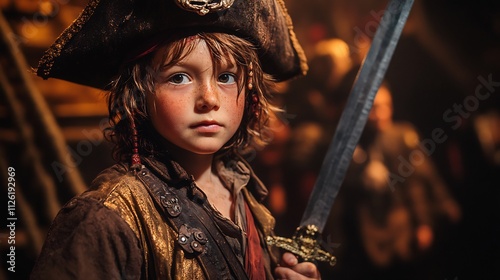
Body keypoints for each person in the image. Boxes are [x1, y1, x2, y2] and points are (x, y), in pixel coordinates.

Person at [30, 0, 320, 279]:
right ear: (137, 95)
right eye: (179, 77)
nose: (209, 99)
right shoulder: (103, 219)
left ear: (251, 93)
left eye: (227, 77)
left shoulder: (243, 189)